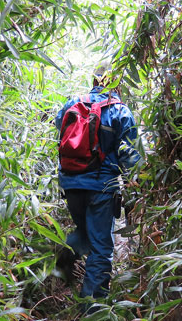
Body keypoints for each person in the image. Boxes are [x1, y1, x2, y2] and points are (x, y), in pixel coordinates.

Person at [55, 64, 141, 306]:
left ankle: (65, 257)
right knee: (101, 248)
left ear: (93, 80)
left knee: (85, 232)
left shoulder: (72, 104)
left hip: (71, 184)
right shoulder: (120, 111)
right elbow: (129, 154)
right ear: (115, 82)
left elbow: (60, 134)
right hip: (102, 187)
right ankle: (92, 310)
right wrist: (136, 183)